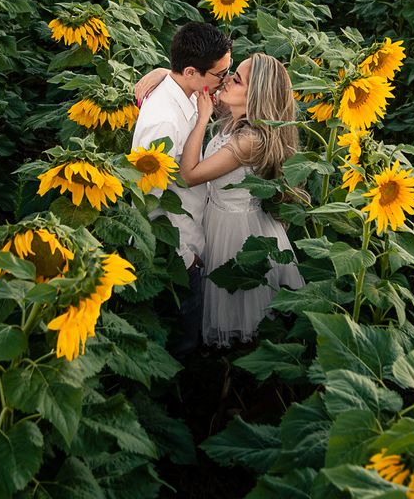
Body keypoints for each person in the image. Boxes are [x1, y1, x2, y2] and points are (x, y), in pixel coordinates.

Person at [177, 53, 305, 348]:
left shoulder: (252, 140)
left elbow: (189, 175)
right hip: (218, 219)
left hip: (239, 232)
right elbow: (189, 77)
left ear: (255, 96)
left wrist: (201, 120)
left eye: (236, 79)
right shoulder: (233, 121)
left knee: (241, 310)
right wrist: (159, 73)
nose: (226, 80)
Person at [131, 22, 232, 357]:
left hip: (191, 233)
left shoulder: (187, 90)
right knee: (181, 343)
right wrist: (185, 255)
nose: (224, 81)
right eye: (221, 74)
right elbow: (148, 199)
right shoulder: (164, 120)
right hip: (175, 249)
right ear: (191, 71)